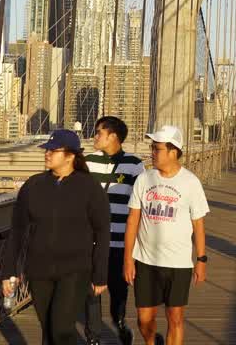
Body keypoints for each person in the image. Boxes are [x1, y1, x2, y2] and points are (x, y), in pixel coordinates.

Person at [1, 130, 111, 345]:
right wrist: (9, 271)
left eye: (53, 150)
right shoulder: (33, 185)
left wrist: (100, 273)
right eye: (47, 150)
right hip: (39, 269)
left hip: (75, 269)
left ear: (70, 156)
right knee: (48, 330)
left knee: (62, 328)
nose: (47, 154)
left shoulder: (89, 187)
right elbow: (18, 230)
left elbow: (103, 231)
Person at [124, 125, 210, 345]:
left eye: (157, 148)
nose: (152, 152)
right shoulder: (144, 179)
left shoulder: (190, 183)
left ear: (174, 152)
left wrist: (201, 260)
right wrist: (128, 260)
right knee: (144, 319)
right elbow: (133, 220)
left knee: (175, 318)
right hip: (145, 261)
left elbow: (198, 225)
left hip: (178, 263)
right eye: (152, 147)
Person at [84, 116, 146, 345]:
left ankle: (119, 323)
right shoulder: (88, 161)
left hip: (121, 242)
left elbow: (142, 203)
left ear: (113, 137)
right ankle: (94, 338)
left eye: (98, 132)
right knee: (91, 292)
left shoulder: (135, 164)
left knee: (118, 294)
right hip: (92, 242)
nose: (94, 136)